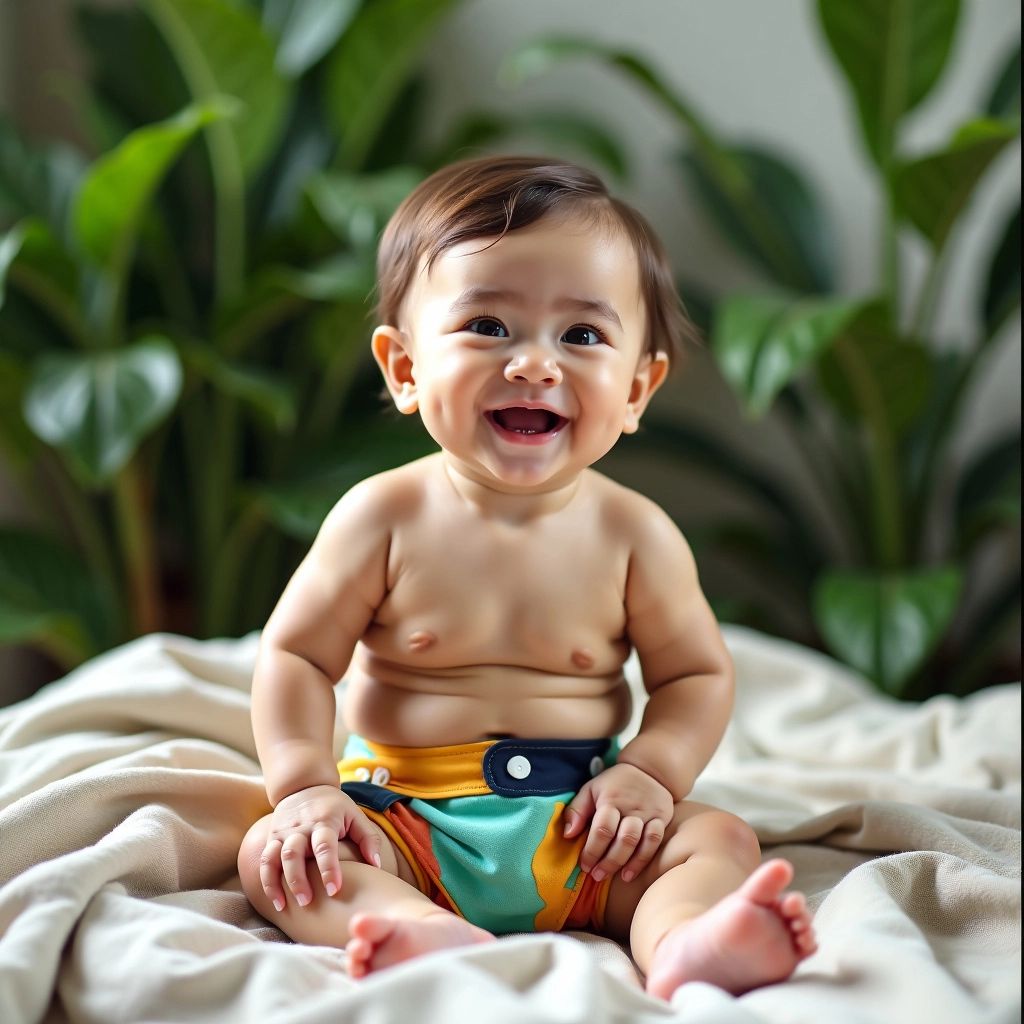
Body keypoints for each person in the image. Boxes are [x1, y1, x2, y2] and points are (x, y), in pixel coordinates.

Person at [237, 155, 817, 1000]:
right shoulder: (380, 518)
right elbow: (294, 658)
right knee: (273, 859)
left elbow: (694, 673)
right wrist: (302, 790)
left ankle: (684, 940)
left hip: (586, 831)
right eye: (488, 326)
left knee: (719, 839)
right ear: (404, 369)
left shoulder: (634, 534)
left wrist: (651, 774)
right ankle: (424, 930)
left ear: (636, 389)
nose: (534, 365)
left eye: (581, 336)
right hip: (406, 819)